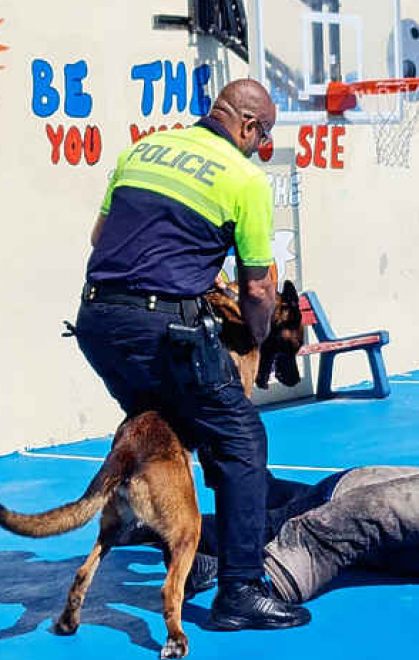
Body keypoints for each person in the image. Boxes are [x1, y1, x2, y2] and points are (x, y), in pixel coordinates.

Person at [72, 79, 310, 631]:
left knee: (167, 426)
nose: (260, 148)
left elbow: (99, 236)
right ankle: (241, 589)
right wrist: (253, 337)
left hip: (97, 322)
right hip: (162, 327)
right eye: (262, 136)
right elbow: (256, 290)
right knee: (241, 439)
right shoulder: (246, 178)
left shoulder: (143, 149)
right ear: (249, 127)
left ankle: (169, 535)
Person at [127, 466, 419, 603]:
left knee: (274, 493)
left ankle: (244, 477)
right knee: (262, 531)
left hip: (377, 496)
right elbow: (327, 536)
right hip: (354, 497)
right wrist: (275, 581)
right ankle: (151, 524)